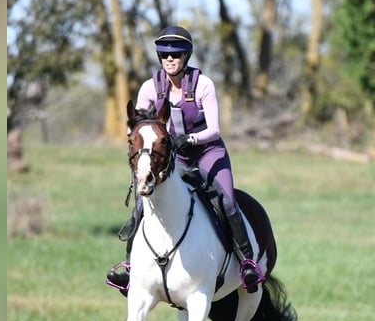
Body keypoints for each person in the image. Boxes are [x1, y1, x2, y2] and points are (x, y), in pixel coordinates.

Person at [106, 25, 264, 293]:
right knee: (143, 205)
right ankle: (131, 267)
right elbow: (136, 125)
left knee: (225, 201)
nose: (170, 60)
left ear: (186, 57)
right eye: (165, 55)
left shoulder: (203, 85)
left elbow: (214, 129)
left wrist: (189, 140)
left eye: (176, 55)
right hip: (172, 156)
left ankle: (247, 263)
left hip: (208, 152)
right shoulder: (149, 88)